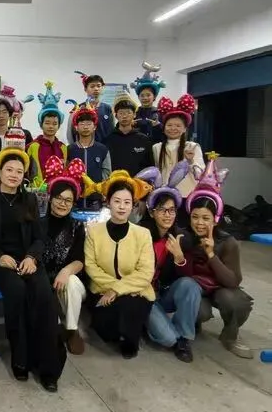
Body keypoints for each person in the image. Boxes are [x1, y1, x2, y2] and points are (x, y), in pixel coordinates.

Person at [0, 143, 66, 391]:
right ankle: (21, 358)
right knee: (16, 290)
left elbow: (39, 237)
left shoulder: (29, 199)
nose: (14, 175)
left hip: (26, 259)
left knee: (43, 294)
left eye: (19, 171)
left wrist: (31, 258)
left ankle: (48, 368)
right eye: (9, 170)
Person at [184, 155, 253, 359]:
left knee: (235, 301)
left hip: (221, 288)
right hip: (197, 290)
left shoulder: (228, 242)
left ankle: (230, 335)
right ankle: (195, 322)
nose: (199, 223)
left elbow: (233, 281)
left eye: (205, 218)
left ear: (215, 219)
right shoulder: (185, 238)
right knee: (198, 309)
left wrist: (211, 255)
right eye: (195, 217)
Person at [83, 171, 155, 358]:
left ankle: (130, 340)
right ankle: (121, 331)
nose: (122, 207)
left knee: (129, 306)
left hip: (136, 292)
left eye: (127, 202)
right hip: (102, 290)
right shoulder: (94, 231)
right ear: (108, 202)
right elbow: (91, 266)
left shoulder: (143, 234)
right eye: (117, 201)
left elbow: (146, 272)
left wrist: (117, 290)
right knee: (105, 329)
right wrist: (113, 288)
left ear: (133, 205)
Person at [136, 162, 200, 362]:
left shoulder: (181, 237)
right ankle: (171, 336)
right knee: (167, 338)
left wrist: (180, 258)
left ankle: (185, 338)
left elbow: (187, 277)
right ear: (152, 212)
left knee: (190, 286)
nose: (168, 215)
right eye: (162, 210)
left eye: (172, 210)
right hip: (143, 293)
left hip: (164, 293)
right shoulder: (140, 234)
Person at [41, 157, 88, 355]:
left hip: (65, 281)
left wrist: (66, 271)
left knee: (73, 283)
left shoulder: (77, 226)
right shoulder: (38, 223)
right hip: (42, 279)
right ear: (50, 198)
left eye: (68, 200)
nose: (63, 203)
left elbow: (80, 260)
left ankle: (71, 329)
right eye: (59, 198)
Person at [154, 94, 204, 200]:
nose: (173, 128)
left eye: (178, 126)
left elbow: (201, 175)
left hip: (187, 196)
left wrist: (191, 161)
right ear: (164, 127)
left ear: (185, 129)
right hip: (164, 196)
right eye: (169, 125)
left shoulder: (192, 147)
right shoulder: (156, 148)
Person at [0, 95, 33, 183]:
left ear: (9, 114)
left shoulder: (20, 135)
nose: (1, 116)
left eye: (4, 112)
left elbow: (28, 161)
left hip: (17, 182)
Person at [66, 105, 111, 210]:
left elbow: (107, 172)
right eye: (82, 124)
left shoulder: (102, 149)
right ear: (76, 127)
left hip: (96, 201)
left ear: (94, 127)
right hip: (74, 201)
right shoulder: (69, 149)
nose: (85, 127)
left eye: (89, 124)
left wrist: (98, 187)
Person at [27, 81, 71, 184]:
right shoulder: (33, 146)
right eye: (47, 123)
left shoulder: (63, 147)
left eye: (54, 123)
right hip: (37, 190)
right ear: (41, 124)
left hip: (58, 190)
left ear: (59, 126)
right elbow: (27, 172)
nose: (51, 126)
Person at [105, 88, 153, 176]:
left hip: (138, 182)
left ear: (134, 115)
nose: (124, 116)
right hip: (114, 182)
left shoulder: (143, 139)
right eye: (121, 113)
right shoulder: (108, 139)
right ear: (116, 116)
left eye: (128, 113)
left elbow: (149, 167)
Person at [66, 71, 113, 144]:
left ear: (102, 88)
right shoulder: (78, 108)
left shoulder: (107, 108)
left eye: (98, 86)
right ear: (85, 89)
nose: (96, 89)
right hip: (83, 148)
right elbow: (70, 132)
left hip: (104, 148)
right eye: (92, 86)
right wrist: (74, 147)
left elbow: (111, 130)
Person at [131, 63, 164, 143]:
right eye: (142, 95)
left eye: (148, 95)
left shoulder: (160, 113)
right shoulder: (134, 113)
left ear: (154, 97)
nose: (145, 98)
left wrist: (158, 126)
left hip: (155, 147)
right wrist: (129, 125)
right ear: (138, 97)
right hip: (137, 147)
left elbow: (166, 132)